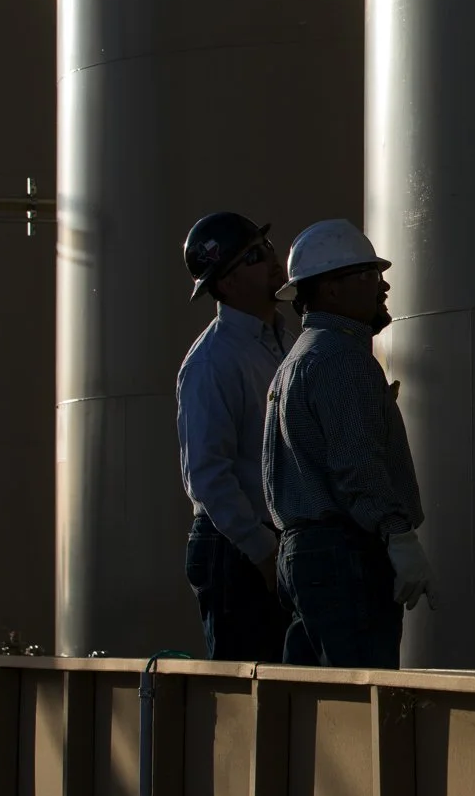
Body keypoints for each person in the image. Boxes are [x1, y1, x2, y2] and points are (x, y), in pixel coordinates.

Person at [262, 219, 431, 668]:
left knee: (313, 709)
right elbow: (357, 463)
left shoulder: (300, 357)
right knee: (359, 703)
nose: (384, 286)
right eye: (369, 275)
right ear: (331, 290)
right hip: (344, 558)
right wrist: (398, 533)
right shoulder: (340, 358)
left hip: (309, 558)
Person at [176, 212, 295, 661]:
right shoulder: (213, 362)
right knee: (251, 697)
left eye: (265, 248)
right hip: (237, 549)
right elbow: (208, 476)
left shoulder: (283, 341)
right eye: (253, 257)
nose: (271, 260)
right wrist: (263, 553)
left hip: (271, 542)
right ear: (224, 284)